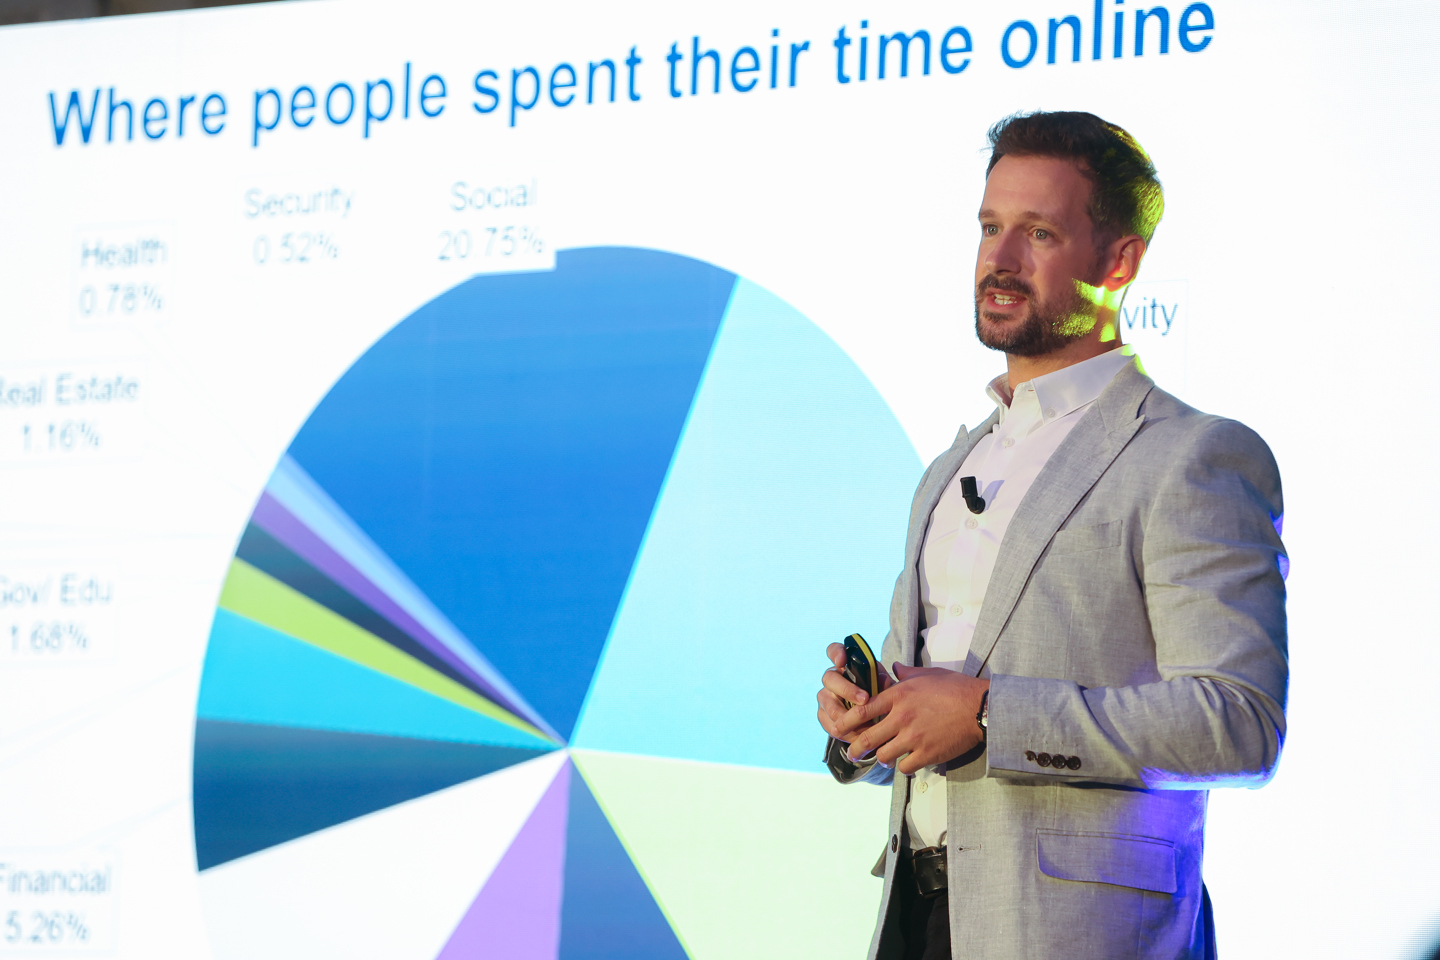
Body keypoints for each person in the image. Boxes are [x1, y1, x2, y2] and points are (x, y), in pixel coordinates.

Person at [815, 111, 1288, 960]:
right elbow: (928, 712)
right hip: (915, 921)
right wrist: (869, 723)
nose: (999, 259)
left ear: (1120, 262)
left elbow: (1238, 723)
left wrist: (989, 715)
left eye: (1038, 233)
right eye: (989, 227)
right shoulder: (951, 465)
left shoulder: (1191, 456)